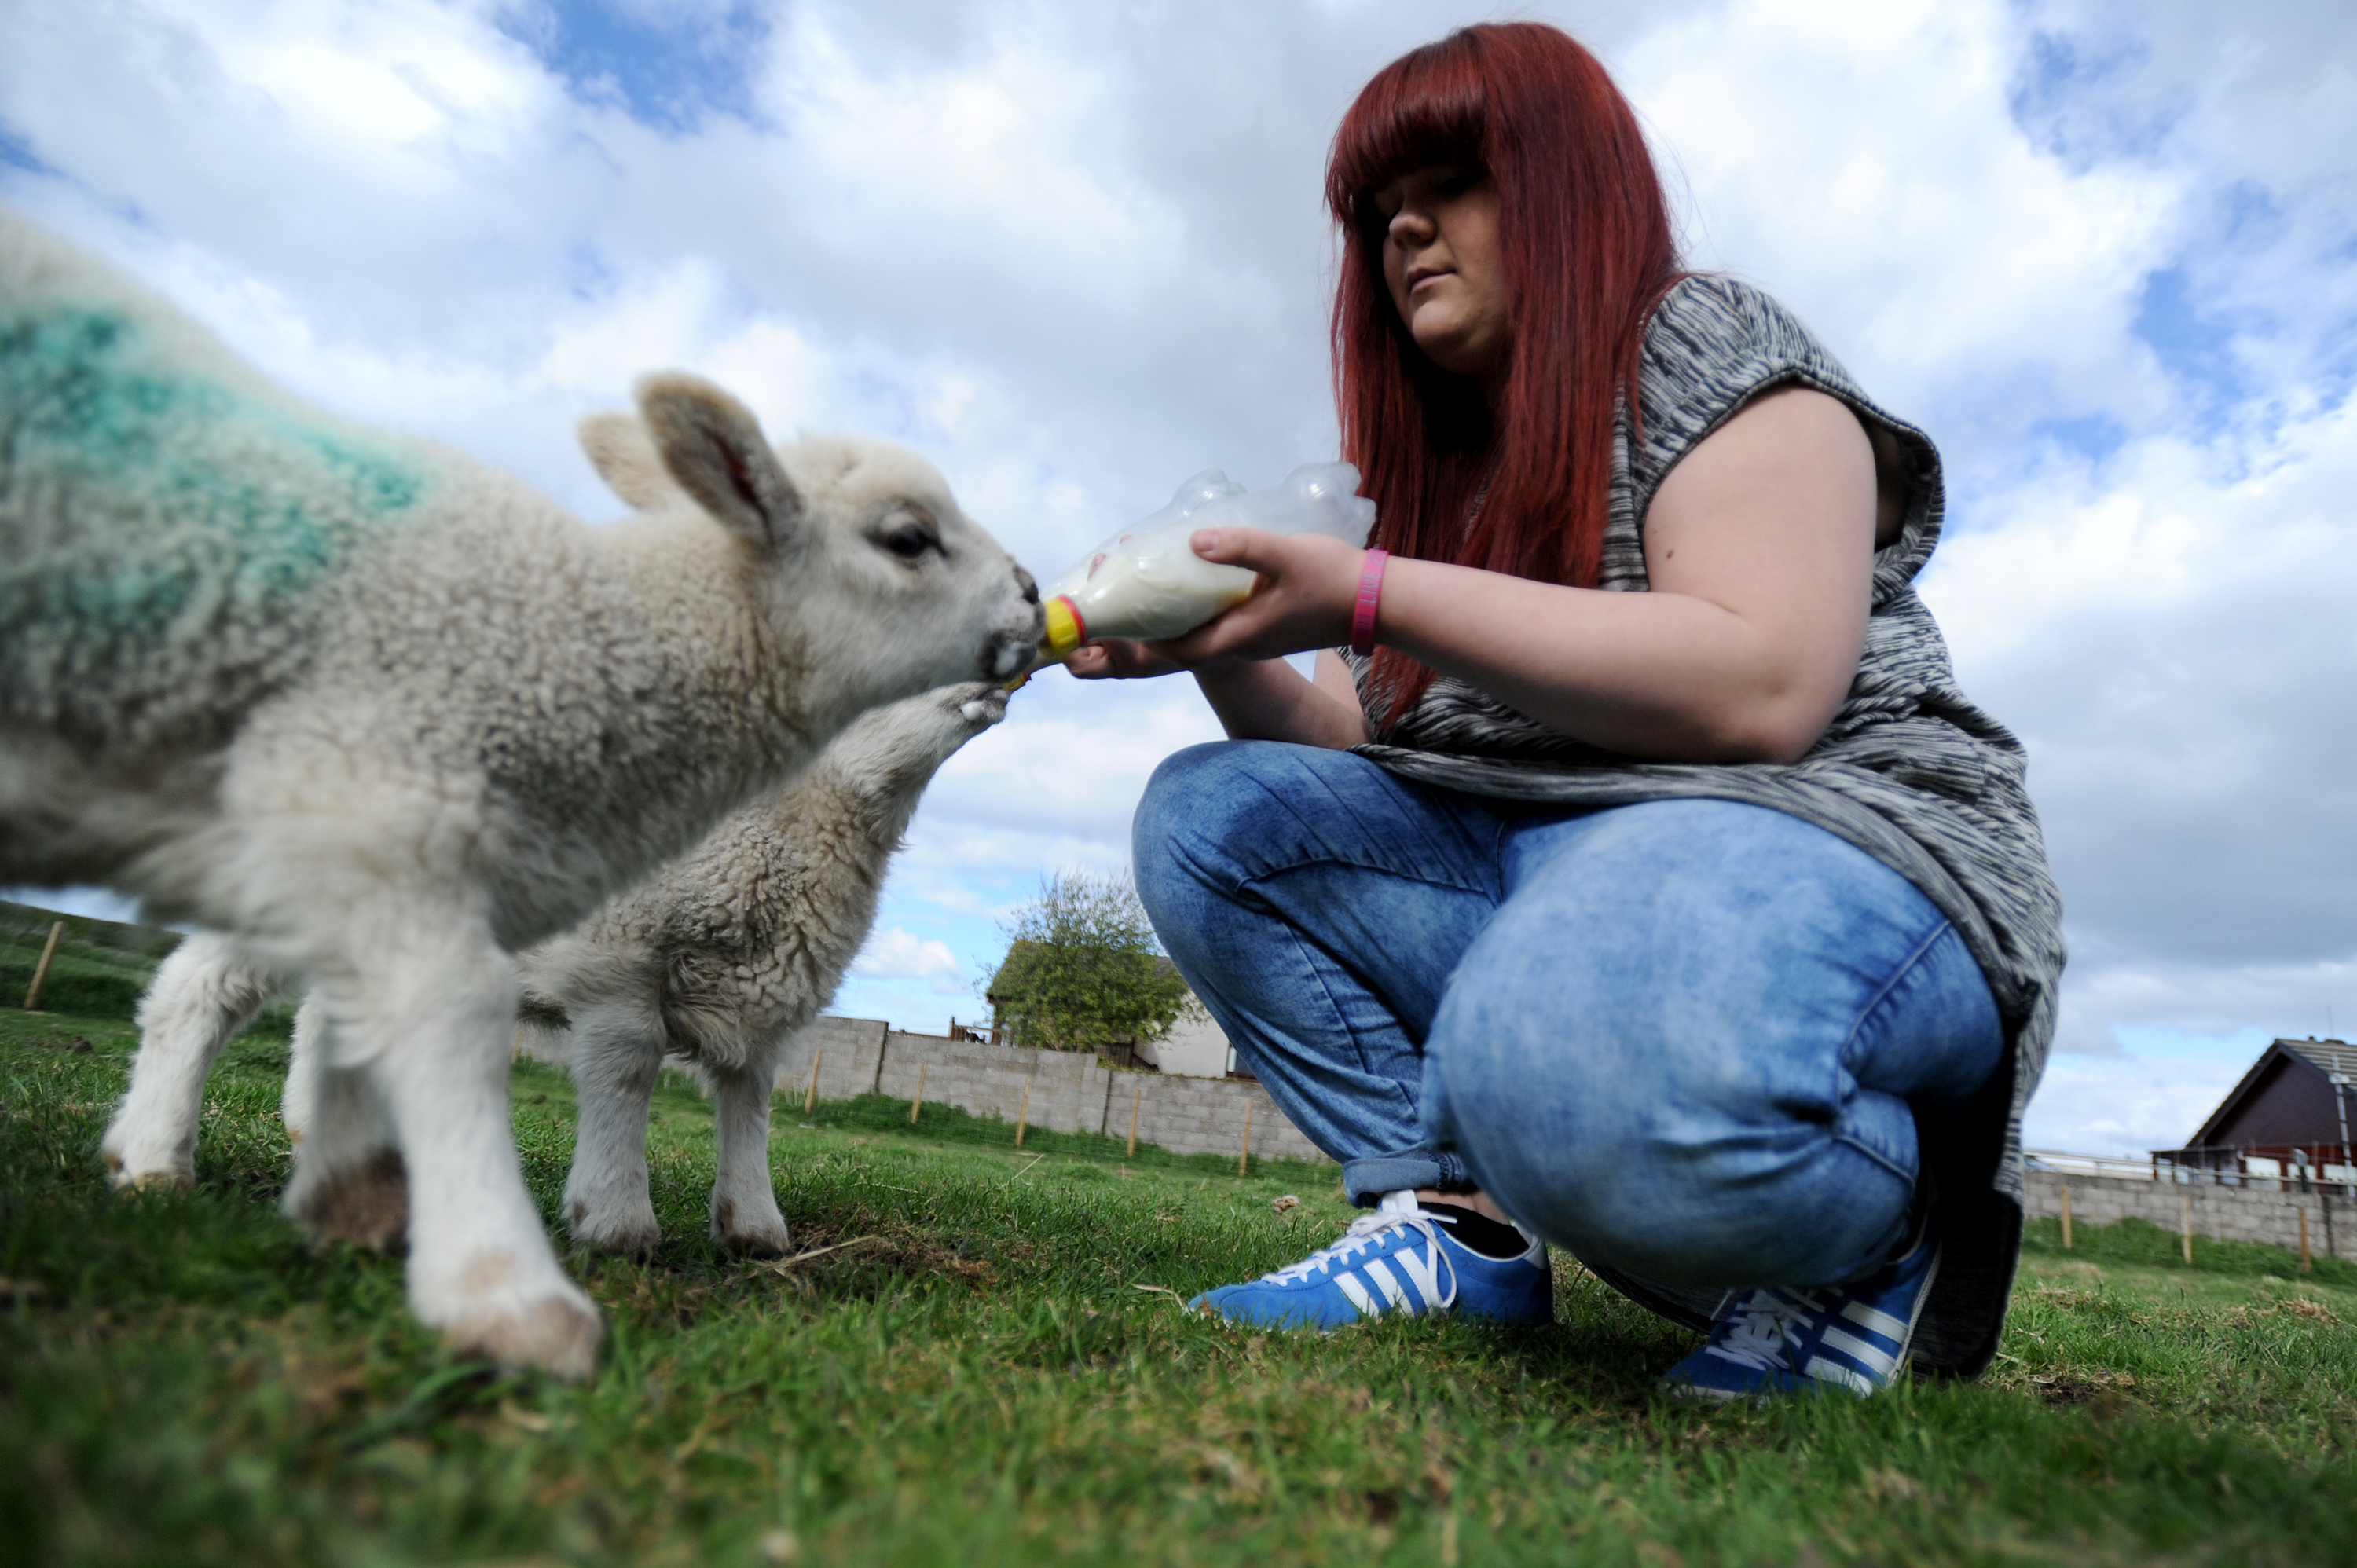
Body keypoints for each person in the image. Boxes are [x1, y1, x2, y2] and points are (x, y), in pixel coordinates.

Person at [1067, 23, 2062, 1398]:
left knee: (1539, 1038)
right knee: (1213, 817)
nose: (1404, 224)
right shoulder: (1422, 479)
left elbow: (1762, 684)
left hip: (1825, 852)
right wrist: (1221, 646)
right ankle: (1458, 1227)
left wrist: (1369, 593)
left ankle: (1887, 1240)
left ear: (1565, 185)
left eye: (1453, 178)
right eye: (1376, 207)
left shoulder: (1702, 342)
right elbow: (1361, 758)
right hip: (1534, 857)